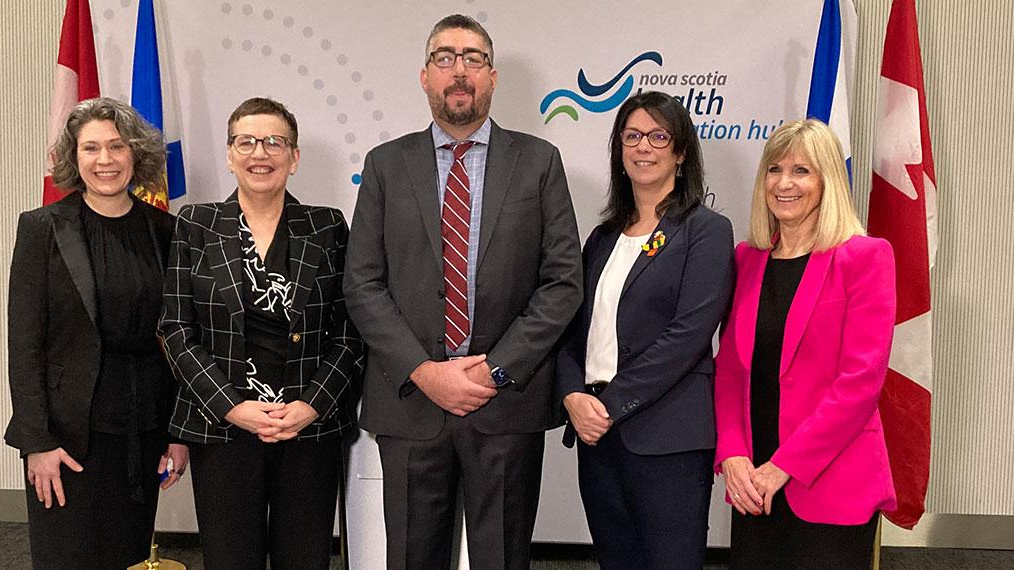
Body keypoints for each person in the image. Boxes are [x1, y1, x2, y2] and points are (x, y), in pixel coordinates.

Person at [343, 14, 583, 570]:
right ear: (424, 76)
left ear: (493, 77)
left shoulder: (539, 161)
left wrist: (493, 371)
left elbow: (562, 281)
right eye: (445, 58)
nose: (459, 71)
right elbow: (362, 283)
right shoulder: (385, 164)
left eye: (473, 58)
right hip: (410, 403)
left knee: (503, 558)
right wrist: (426, 372)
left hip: (504, 402)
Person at [160, 97, 363, 569]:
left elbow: (351, 331)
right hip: (223, 427)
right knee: (231, 559)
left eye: (275, 142)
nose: (260, 153)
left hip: (308, 427)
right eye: (247, 141)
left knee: (305, 558)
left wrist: (313, 405)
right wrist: (232, 408)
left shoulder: (328, 225)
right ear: (230, 155)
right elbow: (175, 328)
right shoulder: (196, 224)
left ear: (293, 158)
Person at [5, 97, 187, 569]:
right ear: (74, 157)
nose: (104, 160)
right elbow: (25, 345)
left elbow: (179, 338)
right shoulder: (42, 228)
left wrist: (178, 432)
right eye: (91, 148)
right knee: (67, 556)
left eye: (116, 146)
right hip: (66, 435)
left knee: (127, 555)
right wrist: (37, 442)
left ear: (136, 155)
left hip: (143, 426)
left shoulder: (165, 230)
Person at [555, 91, 734, 569]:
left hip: (666, 440)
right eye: (632, 136)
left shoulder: (706, 230)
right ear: (619, 148)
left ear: (680, 152)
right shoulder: (602, 236)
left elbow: (688, 336)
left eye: (659, 136)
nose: (644, 147)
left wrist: (608, 406)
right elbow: (572, 330)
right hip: (597, 438)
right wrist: (572, 395)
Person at [713, 118, 897, 569]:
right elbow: (731, 370)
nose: (784, 183)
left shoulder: (865, 257)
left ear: (827, 180)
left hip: (830, 481)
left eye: (802, 171)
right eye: (775, 170)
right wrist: (734, 454)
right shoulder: (747, 259)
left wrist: (782, 466)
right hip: (753, 483)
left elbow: (860, 383)